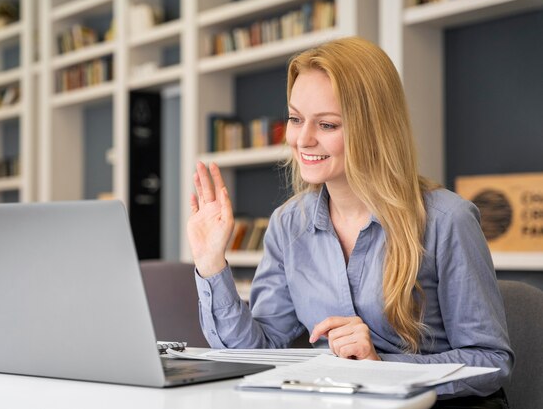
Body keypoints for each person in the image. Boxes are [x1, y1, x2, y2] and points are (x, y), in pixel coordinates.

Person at [187, 37, 513, 407]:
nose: (302, 139)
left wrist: (379, 368)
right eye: (295, 119)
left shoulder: (446, 220)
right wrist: (211, 262)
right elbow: (257, 354)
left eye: (326, 125)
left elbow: (490, 362)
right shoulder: (288, 225)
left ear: (374, 129)